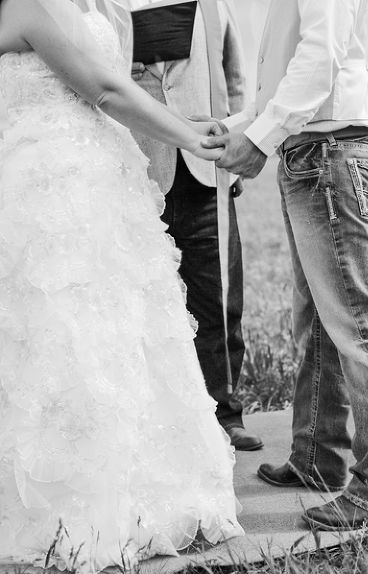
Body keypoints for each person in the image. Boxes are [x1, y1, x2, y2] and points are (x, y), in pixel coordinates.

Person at [0, 0, 243, 569]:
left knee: (124, 330)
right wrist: (187, 134)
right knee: (65, 334)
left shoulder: (97, 5)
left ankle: (144, 489)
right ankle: (74, 504)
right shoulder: (27, 4)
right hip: (50, 185)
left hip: (102, 175)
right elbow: (105, 89)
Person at [199, 0, 368, 531]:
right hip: (318, 148)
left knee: (356, 326)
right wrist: (233, 124)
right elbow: (300, 69)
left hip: (330, 153)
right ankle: (316, 458)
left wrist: (259, 138)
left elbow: (320, 56)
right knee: (322, 321)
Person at [128, 0, 262, 451]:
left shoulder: (214, 5)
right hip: (139, 168)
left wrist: (238, 157)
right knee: (145, 299)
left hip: (207, 171)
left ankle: (225, 413)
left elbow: (236, 81)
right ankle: (157, 420)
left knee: (219, 298)